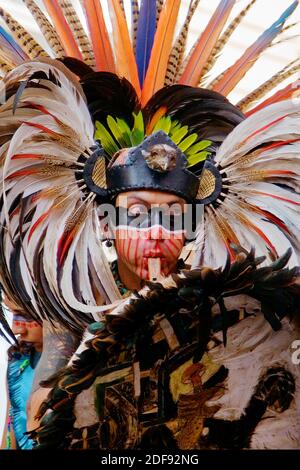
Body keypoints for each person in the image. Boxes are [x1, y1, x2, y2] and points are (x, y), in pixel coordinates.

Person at [0, 0, 300, 449]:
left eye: (174, 215)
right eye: (137, 213)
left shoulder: (226, 303)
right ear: (106, 221)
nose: (157, 230)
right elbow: (42, 411)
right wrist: (98, 362)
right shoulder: (78, 307)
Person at [1, 294, 42, 449]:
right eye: (12, 313)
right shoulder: (18, 360)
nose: (16, 328)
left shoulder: (80, 363)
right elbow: (10, 425)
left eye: (25, 315)